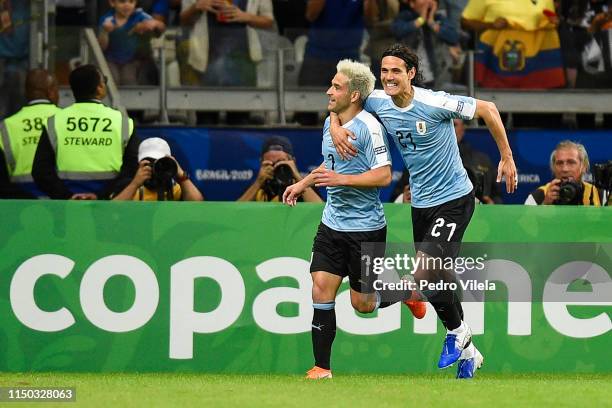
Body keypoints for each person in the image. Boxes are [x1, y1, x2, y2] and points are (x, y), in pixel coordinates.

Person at [329, 43, 518, 379]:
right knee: (437, 279)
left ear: (411, 74)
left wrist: (506, 155)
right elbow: (339, 98)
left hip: (455, 199)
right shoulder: (377, 100)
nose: (388, 77)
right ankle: (467, 345)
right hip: (421, 204)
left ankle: (436, 321)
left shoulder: (435, 102)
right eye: (384, 70)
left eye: (395, 71)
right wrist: (334, 125)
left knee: (425, 271)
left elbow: (488, 108)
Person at [283, 59, 426, 380]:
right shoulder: (329, 122)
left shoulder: (370, 128)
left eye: (336, 87)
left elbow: (385, 175)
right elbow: (328, 163)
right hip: (332, 224)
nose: (328, 91)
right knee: (320, 289)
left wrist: (342, 181)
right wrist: (303, 183)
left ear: (355, 95)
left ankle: (407, 293)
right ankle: (322, 368)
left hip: (367, 230)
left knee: (362, 305)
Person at [32, 64, 139, 200]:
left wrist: (67, 196)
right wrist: (102, 196)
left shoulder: (55, 122)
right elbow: (132, 169)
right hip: (110, 206)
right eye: (104, 81)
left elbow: (40, 172)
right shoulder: (122, 122)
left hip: (67, 207)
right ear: (99, 88)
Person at [0, 69, 60, 199]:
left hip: (18, 201)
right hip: (60, 197)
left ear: (26, 93)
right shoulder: (65, 120)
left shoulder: (5, 126)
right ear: (51, 92)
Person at [112, 137, 203, 201]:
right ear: (140, 163)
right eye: (149, 162)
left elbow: (197, 204)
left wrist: (181, 175)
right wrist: (135, 184)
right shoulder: (129, 184)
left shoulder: (173, 188)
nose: (154, 167)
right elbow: (110, 210)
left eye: (159, 162)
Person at [98, 0, 165, 85]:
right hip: (111, 60)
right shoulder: (106, 19)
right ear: (112, 3)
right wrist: (105, 32)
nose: (127, 5)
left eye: (131, 1)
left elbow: (161, 26)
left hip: (132, 60)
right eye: (122, 2)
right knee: (111, 81)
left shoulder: (140, 15)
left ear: (135, 3)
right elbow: (102, 47)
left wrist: (154, 23)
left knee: (128, 79)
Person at [238, 136, 322, 202]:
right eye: (270, 163)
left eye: (280, 162)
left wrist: (298, 178)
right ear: (261, 162)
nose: (275, 167)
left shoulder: (305, 185)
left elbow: (320, 212)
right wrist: (258, 182)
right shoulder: (256, 187)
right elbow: (235, 212)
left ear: (292, 161)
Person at [525, 140, 601, 206]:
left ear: (583, 167)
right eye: (559, 163)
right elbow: (525, 223)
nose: (565, 169)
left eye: (571, 162)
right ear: (553, 168)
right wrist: (545, 205)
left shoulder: (597, 193)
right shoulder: (539, 195)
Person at [454, 118, 502, 204]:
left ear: (463, 129)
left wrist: (492, 204)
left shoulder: (482, 160)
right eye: (446, 125)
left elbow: (497, 196)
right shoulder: (433, 162)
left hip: (482, 215)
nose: (450, 129)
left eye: (454, 125)